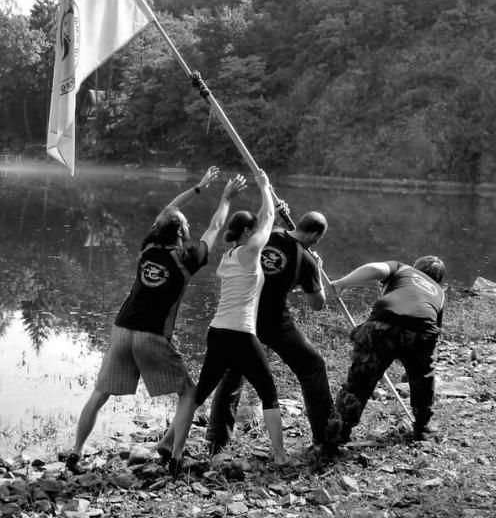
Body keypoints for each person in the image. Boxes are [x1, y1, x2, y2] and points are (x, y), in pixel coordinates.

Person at [65, 166, 247, 474]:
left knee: (99, 394)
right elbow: (215, 227)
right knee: (188, 392)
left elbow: (169, 210)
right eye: (185, 226)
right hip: (152, 336)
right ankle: (175, 458)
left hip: (122, 329)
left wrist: (199, 188)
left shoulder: (148, 245)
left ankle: (75, 453)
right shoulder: (188, 258)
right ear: (180, 233)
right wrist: (226, 197)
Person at [178, 169, 290, 472]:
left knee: (200, 393)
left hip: (218, 332)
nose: (257, 234)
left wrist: (269, 210)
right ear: (247, 233)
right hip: (240, 333)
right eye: (252, 230)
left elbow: (262, 221)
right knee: (269, 393)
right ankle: (280, 455)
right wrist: (265, 186)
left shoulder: (230, 257)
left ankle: (168, 442)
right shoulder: (251, 251)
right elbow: (265, 221)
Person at [205, 208, 333, 455]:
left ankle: (215, 442)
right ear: (316, 236)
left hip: (243, 316)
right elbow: (318, 305)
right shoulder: (304, 259)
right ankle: (325, 436)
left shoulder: (269, 234)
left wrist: (273, 211)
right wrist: (316, 269)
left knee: (232, 373)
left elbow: (257, 225)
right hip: (274, 323)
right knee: (313, 365)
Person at [327, 256, 446, 445]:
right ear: (439, 279)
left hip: (383, 325)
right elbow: (434, 329)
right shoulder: (439, 293)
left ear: (416, 267)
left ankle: (337, 435)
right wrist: (416, 367)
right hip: (421, 331)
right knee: (422, 377)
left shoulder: (402, 269)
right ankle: (422, 428)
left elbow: (374, 268)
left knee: (359, 382)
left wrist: (342, 283)